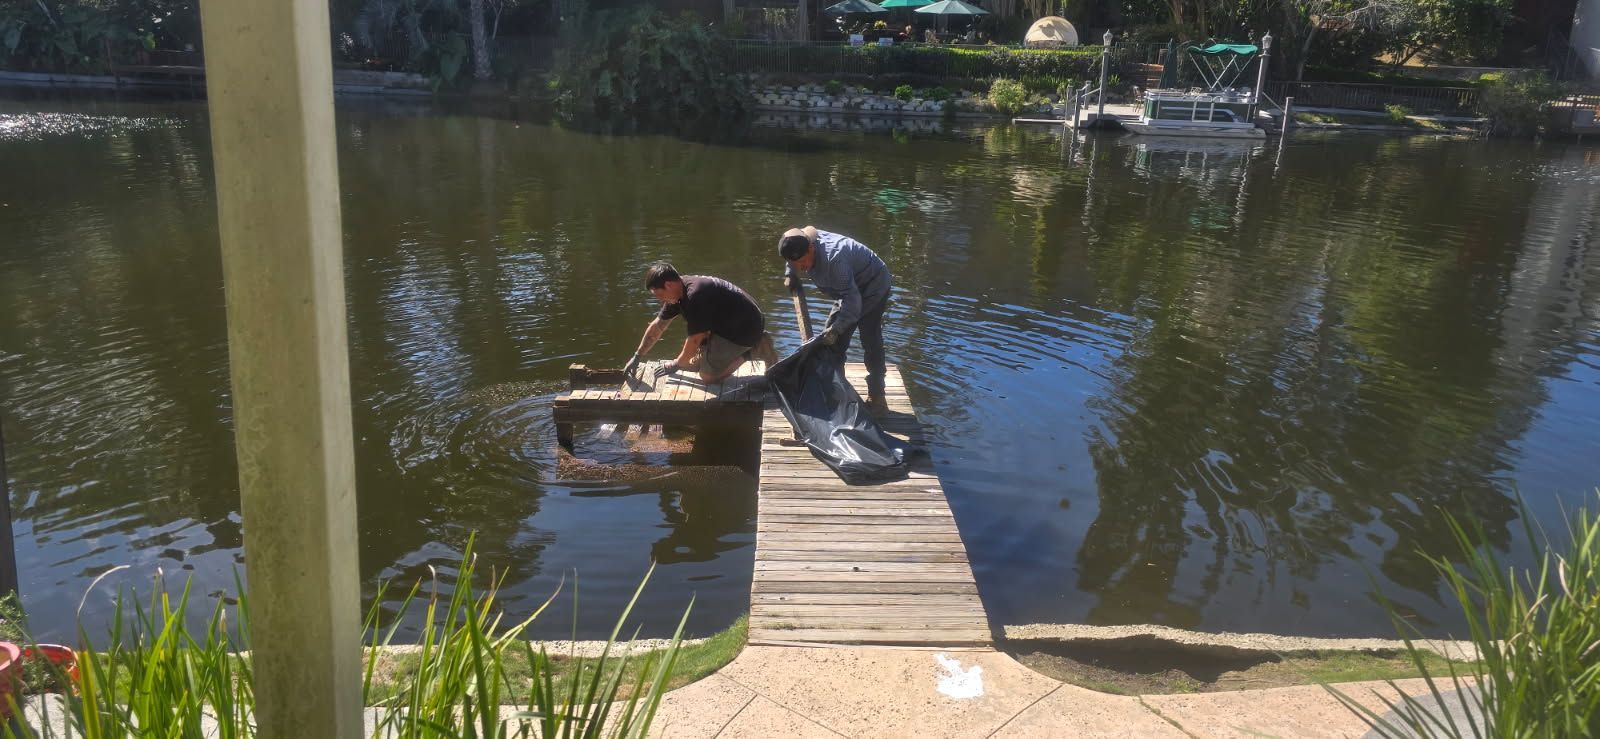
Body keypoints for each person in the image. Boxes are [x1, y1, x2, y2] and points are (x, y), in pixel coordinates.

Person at [778, 226, 892, 413]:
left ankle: (878, 397)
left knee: (869, 338)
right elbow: (792, 257)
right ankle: (837, 395)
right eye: (795, 263)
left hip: (873, 285)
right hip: (848, 288)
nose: (800, 267)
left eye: (802, 263)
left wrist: (837, 329)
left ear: (812, 249)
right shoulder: (798, 240)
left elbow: (852, 304)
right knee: (831, 345)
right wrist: (790, 274)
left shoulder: (834, 262)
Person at [622, 263, 776, 383]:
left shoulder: (695, 296)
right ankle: (709, 356)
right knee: (689, 364)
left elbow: (695, 338)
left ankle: (756, 349)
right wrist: (637, 356)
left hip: (746, 329)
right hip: (727, 324)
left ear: (669, 285)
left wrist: (676, 364)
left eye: (660, 295)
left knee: (707, 377)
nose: (661, 300)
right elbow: (658, 325)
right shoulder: (678, 292)